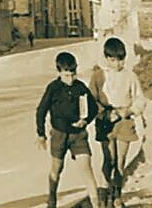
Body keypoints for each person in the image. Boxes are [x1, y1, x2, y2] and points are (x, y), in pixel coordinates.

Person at [36, 51, 99, 208]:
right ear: (59, 72)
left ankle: (97, 204)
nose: (70, 79)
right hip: (59, 135)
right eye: (66, 75)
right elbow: (41, 111)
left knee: (87, 168)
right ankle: (52, 199)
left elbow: (93, 108)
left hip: (78, 135)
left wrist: (85, 121)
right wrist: (41, 134)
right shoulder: (53, 88)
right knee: (57, 168)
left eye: (73, 74)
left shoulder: (81, 87)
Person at [89, 37, 146, 208]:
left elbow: (139, 100)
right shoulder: (98, 76)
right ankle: (104, 193)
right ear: (106, 58)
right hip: (105, 121)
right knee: (109, 158)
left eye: (120, 60)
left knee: (120, 161)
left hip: (124, 121)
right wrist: (104, 113)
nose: (117, 64)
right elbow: (91, 100)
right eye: (113, 60)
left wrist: (127, 111)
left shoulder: (130, 76)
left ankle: (117, 194)